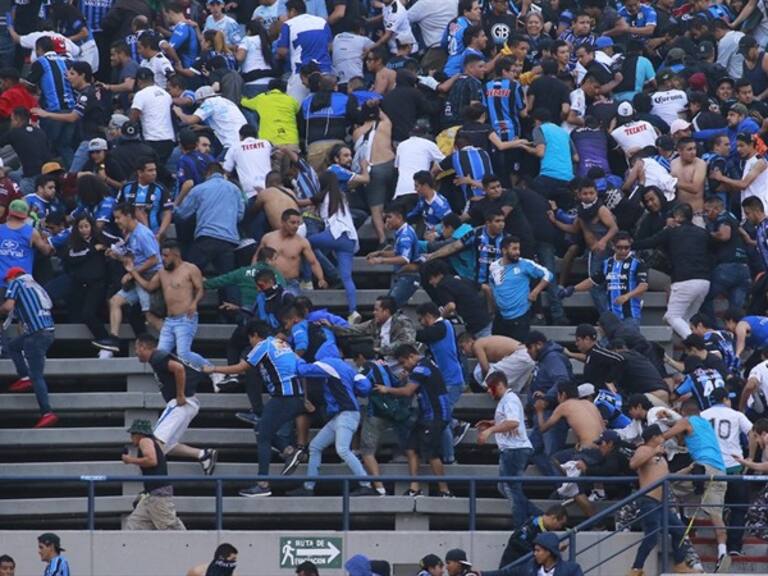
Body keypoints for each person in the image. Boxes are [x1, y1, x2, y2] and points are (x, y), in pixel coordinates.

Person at [205, 321, 306, 498]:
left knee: (262, 435)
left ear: (254, 335)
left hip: (284, 397)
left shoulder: (263, 345)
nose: (250, 343)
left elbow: (242, 367)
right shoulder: (283, 344)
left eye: (250, 339)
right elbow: (301, 366)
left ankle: (263, 484)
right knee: (261, 429)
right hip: (294, 397)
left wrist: (214, 368)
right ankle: (289, 451)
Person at [288, 356, 377, 496]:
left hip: (346, 414)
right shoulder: (347, 368)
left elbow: (301, 370)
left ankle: (366, 484)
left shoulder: (329, 365)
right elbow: (363, 389)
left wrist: (297, 358)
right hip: (342, 415)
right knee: (315, 446)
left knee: (342, 450)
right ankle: (308, 487)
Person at [134, 334, 219, 474]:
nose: (136, 352)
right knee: (167, 446)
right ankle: (203, 454)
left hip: (180, 403)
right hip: (189, 404)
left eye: (137, 348)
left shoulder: (156, 357)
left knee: (153, 444)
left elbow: (178, 368)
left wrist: (180, 395)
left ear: (143, 347)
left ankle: (155, 485)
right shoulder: (157, 358)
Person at [375, 344, 452, 497]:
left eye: (404, 362)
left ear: (411, 356)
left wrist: (387, 389)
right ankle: (414, 488)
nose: (404, 366)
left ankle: (445, 491)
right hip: (425, 416)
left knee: (431, 454)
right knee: (411, 449)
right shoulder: (425, 364)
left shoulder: (421, 368)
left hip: (436, 416)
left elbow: (408, 391)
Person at [662, 399, 730, 573]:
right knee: (716, 514)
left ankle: (678, 522)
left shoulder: (686, 421)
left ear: (684, 412)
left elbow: (665, 436)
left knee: (668, 488)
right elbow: (685, 439)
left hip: (702, 467)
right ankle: (722, 553)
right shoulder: (705, 424)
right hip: (720, 470)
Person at [633, 203, 712, 339]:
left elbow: (649, 242)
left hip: (684, 281)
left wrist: (629, 244)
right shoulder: (703, 233)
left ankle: (698, 345)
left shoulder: (671, 232)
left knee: (672, 317)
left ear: (678, 217)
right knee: (687, 320)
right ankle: (697, 350)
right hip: (704, 282)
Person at [627, 425, 695, 575]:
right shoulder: (643, 449)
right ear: (653, 437)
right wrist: (653, 452)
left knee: (679, 530)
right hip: (649, 500)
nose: (662, 439)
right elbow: (633, 464)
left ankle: (679, 563)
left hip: (661, 504)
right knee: (651, 537)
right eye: (660, 436)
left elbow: (669, 477)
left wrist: (689, 469)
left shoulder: (660, 456)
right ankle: (636, 568)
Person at [96, 203, 162, 355]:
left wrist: (132, 273)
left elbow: (154, 260)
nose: (117, 221)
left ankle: (171, 342)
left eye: (119, 217)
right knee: (115, 302)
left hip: (149, 278)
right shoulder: (131, 235)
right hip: (137, 278)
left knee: (150, 316)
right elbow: (133, 259)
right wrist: (118, 256)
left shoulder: (142, 234)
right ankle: (114, 339)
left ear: (129, 216)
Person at [175, 163, 245, 304]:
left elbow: (182, 213)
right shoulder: (235, 189)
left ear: (207, 174)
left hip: (206, 238)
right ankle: (231, 314)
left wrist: (175, 204)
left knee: (186, 272)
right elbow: (240, 215)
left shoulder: (200, 189)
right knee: (227, 278)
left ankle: (182, 307)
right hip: (228, 240)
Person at [126, 240, 204, 362]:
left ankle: (213, 371)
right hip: (169, 320)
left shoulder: (190, 269)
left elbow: (200, 289)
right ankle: (164, 380)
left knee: (183, 353)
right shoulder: (162, 272)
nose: (163, 259)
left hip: (186, 318)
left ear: (176, 255)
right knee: (159, 355)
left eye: (166, 256)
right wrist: (133, 271)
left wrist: (194, 303)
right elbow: (149, 287)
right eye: (162, 255)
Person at [0, 267, 57, 428]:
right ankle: (24, 377)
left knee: (36, 375)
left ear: (13, 277)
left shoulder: (17, 282)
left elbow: (8, 306)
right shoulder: (35, 285)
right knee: (13, 346)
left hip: (36, 335)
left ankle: (47, 412)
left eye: (7, 281)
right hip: (47, 331)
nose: (6, 285)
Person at [476, 371, 533, 527]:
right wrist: (492, 423)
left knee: (511, 490)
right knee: (505, 487)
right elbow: (509, 421)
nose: (488, 391)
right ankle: (537, 516)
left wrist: (490, 431)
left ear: (500, 385)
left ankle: (523, 526)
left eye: (490, 387)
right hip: (513, 449)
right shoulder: (506, 400)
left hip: (515, 450)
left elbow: (513, 422)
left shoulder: (509, 400)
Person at [559, 232, 648, 324]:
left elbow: (643, 286)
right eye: (619, 247)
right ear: (613, 246)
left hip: (630, 315)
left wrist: (626, 296)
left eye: (626, 248)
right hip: (612, 316)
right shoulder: (607, 263)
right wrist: (573, 288)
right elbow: (593, 281)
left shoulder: (637, 263)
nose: (623, 250)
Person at [308, 172, 359, 323]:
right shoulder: (341, 196)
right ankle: (353, 311)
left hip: (334, 234)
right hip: (349, 239)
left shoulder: (324, 195)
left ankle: (307, 280)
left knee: (305, 244)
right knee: (347, 277)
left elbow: (304, 202)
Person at [122, 418, 186, 531]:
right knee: (133, 524)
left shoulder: (144, 441)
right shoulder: (153, 442)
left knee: (170, 528)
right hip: (151, 494)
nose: (131, 437)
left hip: (158, 494)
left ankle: (189, 545)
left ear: (139, 434)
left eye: (132, 434)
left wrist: (130, 460)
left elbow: (152, 460)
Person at [489, 236, 552, 341]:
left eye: (518, 249)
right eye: (514, 249)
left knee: (518, 351)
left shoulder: (525, 264)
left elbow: (547, 274)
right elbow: (492, 284)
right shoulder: (494, 267)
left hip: (520, 315)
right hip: (501, 316)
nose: (517, 252)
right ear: (504, 250)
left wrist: (535, 291)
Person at [259, 208, 328, 294]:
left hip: (291, 283)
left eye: (298, 223)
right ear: (283, 222)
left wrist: (321, 279)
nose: (296, 226)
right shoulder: (268, 238)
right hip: (269, 281)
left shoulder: (302, 242)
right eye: (292, 223)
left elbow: (313, 262)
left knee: (290, 302)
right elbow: (257, 257)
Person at [367, 203, 421, 307]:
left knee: (389, 307)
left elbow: (404, 258)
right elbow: (397, 252)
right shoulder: (400, 232)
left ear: (399, 217)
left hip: (409, 276)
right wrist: (380, 253)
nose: (387, 221)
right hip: (403, 275)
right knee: (391, 307)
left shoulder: (406, 235)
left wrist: (381, 260)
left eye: (389, 217)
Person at [459, 333, 535, 393]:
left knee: (490, 374)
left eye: (463, 347)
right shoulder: (486, 343)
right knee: (513, 390)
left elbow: (486, 368)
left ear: (470, 341)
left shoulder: (477, 344)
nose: (463, 352)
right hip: (527, 356)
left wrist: (486, 386)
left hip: (521, 355)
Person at [481, 533, 584, 576]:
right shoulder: (529, 567)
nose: (535, 554)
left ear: (548, 552)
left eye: (538, 551)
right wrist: (481, 574)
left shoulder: (572, 569)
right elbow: (505, 573)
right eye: (535, 550)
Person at [498, 506, 568, 567]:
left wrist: (554, 548)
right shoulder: (533, 524)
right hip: (512, 567)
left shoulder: (544, 530)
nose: (559, 527)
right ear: (554, 518)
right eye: (560, 524)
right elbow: (515, 540)